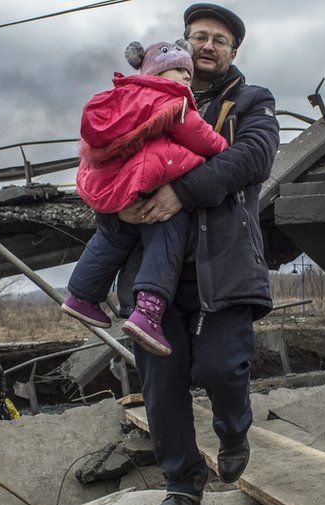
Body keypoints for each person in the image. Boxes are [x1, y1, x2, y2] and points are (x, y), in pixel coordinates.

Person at [116, 4, 279, 505]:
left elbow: (253, 158)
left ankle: (233, 430)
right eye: (198, 37)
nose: (207, 46)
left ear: (233, 52)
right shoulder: (142, 94)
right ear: (182, 44)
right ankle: (181, 485)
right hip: (152, 278)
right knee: (161, 385)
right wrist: (114, 199)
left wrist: (180, 191)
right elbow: (105, 155)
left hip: (225, 267)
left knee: (220, 368)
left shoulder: (252, 101)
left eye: (219, 40)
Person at [62, 38, 228, 357]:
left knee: (112, 236)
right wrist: (224, 149)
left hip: (118, 185)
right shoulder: (171, 102)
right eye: (177, 70)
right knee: (167, 235)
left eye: (187, 73)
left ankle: (81, 295)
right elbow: (202, 138)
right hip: (149, 180)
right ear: (154, 72)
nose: (184, 78)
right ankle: (148, 313)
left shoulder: (123, 98)